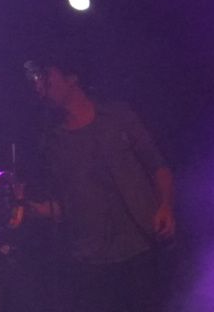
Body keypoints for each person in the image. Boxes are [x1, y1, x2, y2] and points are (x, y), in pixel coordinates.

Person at [23, 56, 176, 312]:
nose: (40, 86)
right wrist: (37, 211)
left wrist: (165, 206)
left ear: (72, 78)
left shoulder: (118, 116)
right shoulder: (51, 142)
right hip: (93, 261)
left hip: (142, 245)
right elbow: (66, 206)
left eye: (46, 76)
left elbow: (158, 166)